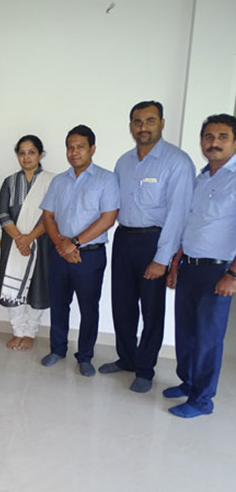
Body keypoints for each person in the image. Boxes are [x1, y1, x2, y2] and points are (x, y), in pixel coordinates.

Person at [99, 101, 196, 393]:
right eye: (138, 121)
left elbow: (178, 214)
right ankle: (126, 358)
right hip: (124, 239)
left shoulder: (178, 162)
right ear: (131, 126)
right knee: (122, 304)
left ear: (162, 123)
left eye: (150, 120)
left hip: (154, 242)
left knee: (152, 310)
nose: (144, 127)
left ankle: (145, 369)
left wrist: (162, 258)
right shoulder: (123, 162)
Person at [164, 114, 236, 418]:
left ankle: (202, 400)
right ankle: (189, 382)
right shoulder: (201, 177)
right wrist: (176, 263)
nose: (214, 143)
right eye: (209, 136)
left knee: (208, 337)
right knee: (187, 332)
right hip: (190, 267)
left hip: (218, 271)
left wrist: (233, 274)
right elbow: (191, 224)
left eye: (222, 137)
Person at [40, 125, 119, 376]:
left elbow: (108, 218)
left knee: (88, 307)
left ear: (92, 149)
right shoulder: (58, 181)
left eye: (80, 147)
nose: (74, 152)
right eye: (70, 147)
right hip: (59, 253)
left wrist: (72, 243)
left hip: (90, 255)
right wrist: (61, 245)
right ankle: (57, 349)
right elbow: (48, 216)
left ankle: (85, 356)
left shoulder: (106, 179)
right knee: (59, 304)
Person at [0, 135, 55, 351]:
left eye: (31, 152)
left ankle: (30, 332)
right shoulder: (10, 182)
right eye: (21, 152)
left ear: (40, 154)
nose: (26, 156)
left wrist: (29, 238)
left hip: (41, 242)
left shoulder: (52, 181)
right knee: (12, 284)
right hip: (13, 243)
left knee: (37, 286)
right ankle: (17, 330)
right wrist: (19, 239)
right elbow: (3, 214)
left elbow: (52, 214)